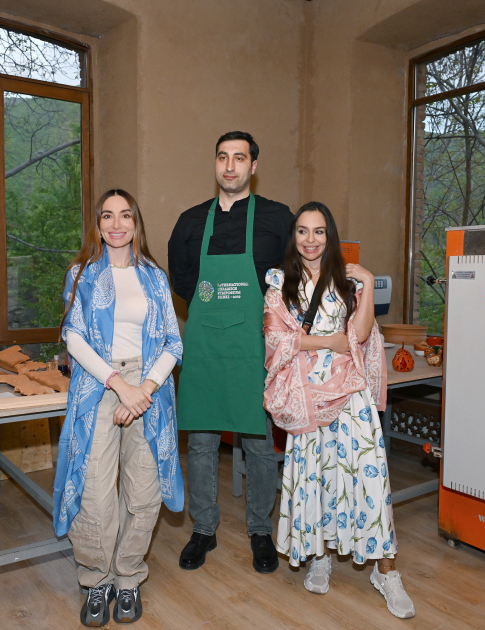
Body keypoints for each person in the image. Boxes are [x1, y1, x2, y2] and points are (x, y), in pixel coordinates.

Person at [262, 201, 416, 619]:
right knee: (316, 478)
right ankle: (320, 555)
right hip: (307, 398)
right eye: (302, 231)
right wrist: (329, 342)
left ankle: (386, 571)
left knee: (369, 480)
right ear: (293, 236)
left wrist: (365, 279)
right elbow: (275, 340)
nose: (310, 240)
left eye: (319, 231)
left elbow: (360, 335)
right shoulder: (279, 284)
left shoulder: (348, 283)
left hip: (350, 396)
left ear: (329, 236)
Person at [53, 189, 184, 628]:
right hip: (98, 385)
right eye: (107, 216)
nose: (116, 224)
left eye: (124, 215)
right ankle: (97, 580)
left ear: (135, 223)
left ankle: (128, 578)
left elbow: (173, 343)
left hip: (150, 388)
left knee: (144, 491)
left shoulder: (155, 277)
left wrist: (142, 390)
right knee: (93, 491)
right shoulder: (81, 274)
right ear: (97, 224)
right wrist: (118, 385)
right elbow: (73, 337)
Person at [168, 131, 294, 574]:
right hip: (205, 346)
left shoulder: (278, 218)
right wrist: (214, 307)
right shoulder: (190, 221)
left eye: (239, 158)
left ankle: (260, 529)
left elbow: (292, 277)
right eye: (223, 157)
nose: (230, 166)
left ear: (252, 166)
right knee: (201, 444)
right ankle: (204, 528)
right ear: (216, 163)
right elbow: (182, 278)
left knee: (258, 443)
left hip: (253, 349)